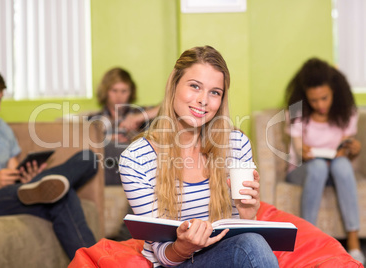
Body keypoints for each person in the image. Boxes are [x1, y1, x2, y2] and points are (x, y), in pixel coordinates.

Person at [119, 46, 278, 267]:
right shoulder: (136, 158)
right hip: (174, 263)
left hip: (224, 256)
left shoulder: (237, 144)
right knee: (251, 245)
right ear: (174, 85)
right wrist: (184, 246)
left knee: (252, 242)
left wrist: (248, 215)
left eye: (215, 92)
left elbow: (241, 243)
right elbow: (163, 255)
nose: (203, 100)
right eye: (195, 86)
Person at [0, 65, 98, 259]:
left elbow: (13, 169)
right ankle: (99, 263)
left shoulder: (1, 127)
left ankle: (41, 185)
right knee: (63, 195)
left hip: (12, 192)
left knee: (89, 159)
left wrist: (26, 176)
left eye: (0, 99)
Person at [285, 58, 364, 264]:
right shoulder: (296, 110)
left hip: (334, 170)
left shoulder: (346, 112)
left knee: (342, 164)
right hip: (303, 171)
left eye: (324, 98)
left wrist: (352, 149)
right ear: (305, 97)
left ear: (334, 92)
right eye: (314, 100)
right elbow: (296, 149)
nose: (320, 105)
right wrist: (303, 150)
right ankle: (308, 240)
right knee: (318, 166)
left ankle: (354, 242)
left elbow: (347, 147)